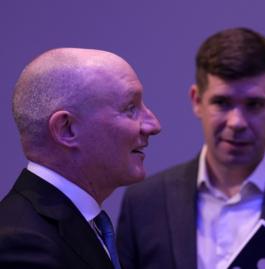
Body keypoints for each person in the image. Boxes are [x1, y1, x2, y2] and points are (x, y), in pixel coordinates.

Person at [117, 27, 265, 269]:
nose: (237, 122)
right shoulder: (144, 204)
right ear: (196, 100)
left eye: (254, 104)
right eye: (222, 103)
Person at [0, 48, 161, 269]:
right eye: (130, 108)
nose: (153, 125)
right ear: (67, 129)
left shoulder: (80, 227)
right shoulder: (23, 245)